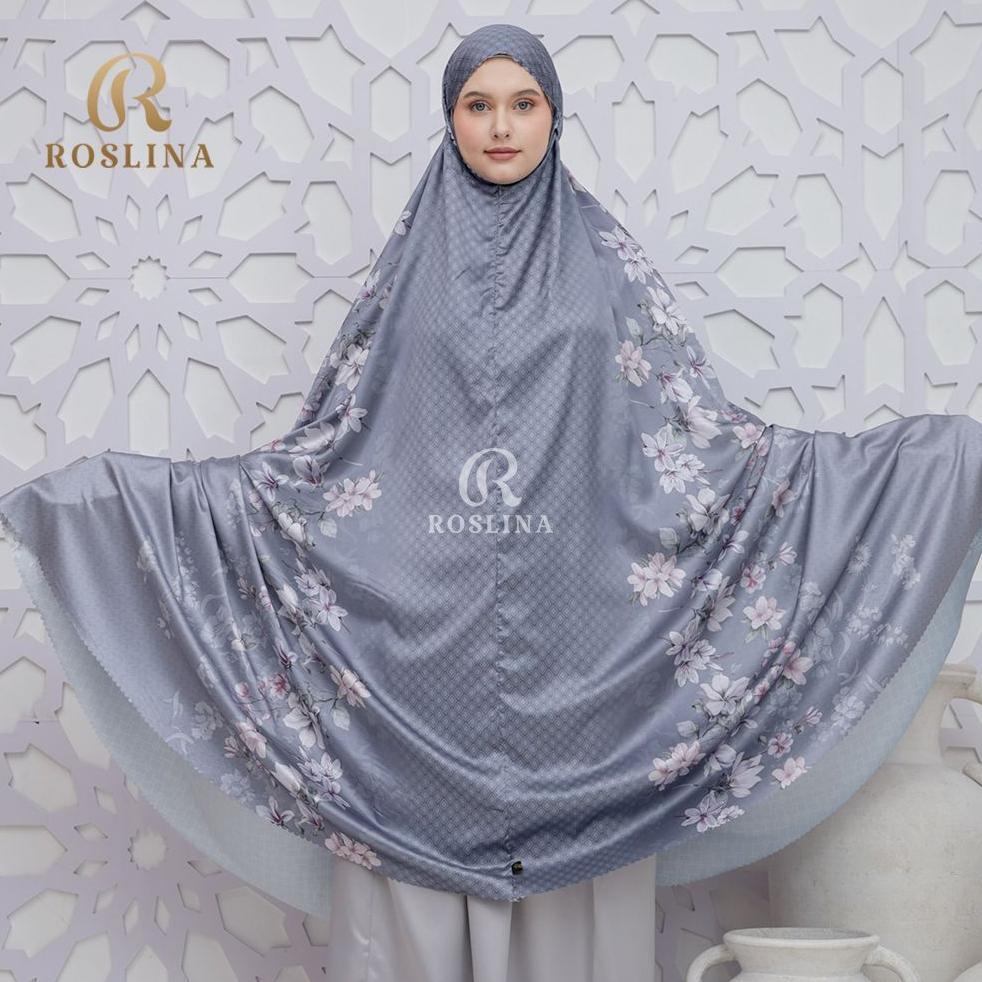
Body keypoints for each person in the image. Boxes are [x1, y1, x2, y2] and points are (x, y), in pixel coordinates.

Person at [1, 22, 981, 982]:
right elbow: (333, 453)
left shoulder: (607, 268)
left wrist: (918, 467)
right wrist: (125, 504)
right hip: (415, 666)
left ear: (554, 116)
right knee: (410, 897)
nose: (501, 125)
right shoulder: (405, 279)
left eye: (524, 103)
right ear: (450, 116)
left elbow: (698, 443)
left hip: (582, 663)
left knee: (576, 905)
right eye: (478, 104)